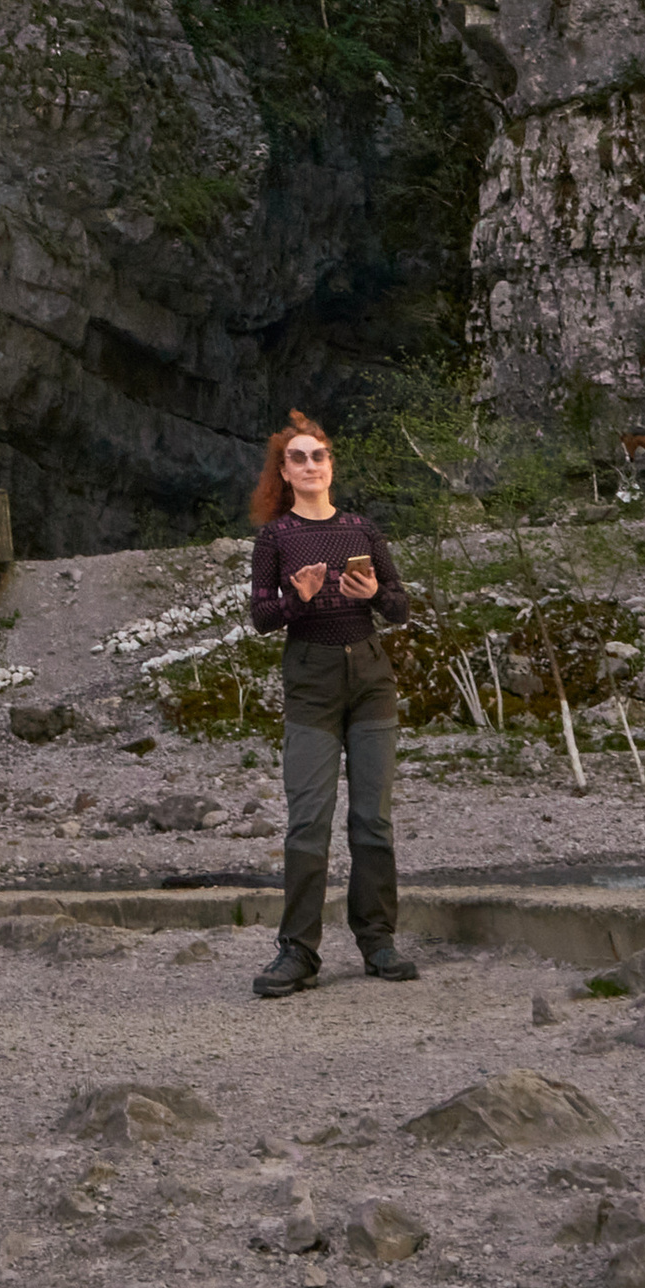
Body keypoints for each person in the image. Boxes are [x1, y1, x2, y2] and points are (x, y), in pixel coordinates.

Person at [246, 408, 419, 998]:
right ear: (284, 472)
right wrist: (301, 598)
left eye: (318, 455)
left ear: (330, 466)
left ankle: (378, 941)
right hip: (311, 680)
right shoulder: (275, 538)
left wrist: (373, 594)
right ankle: (298, 952)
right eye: (298, 457)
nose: (311, 464)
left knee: (372, 818)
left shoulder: (362, 530)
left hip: (370, 676)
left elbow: (399, 607)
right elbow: (263, 619)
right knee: (307, 822)